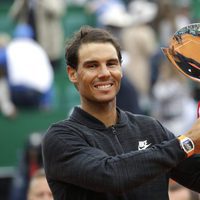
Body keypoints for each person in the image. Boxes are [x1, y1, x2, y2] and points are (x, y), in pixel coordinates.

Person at [42, 26, 200, 199]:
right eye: (92, 66)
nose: (104, 73)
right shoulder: (61, 137)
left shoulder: (150, 128)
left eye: (111, 64)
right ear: (72, 74)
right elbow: (109, 175)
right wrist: (186, 142)